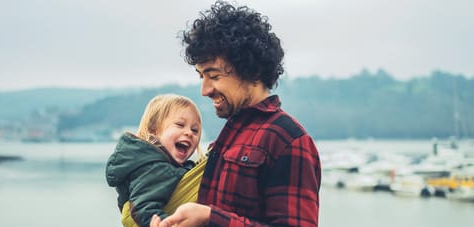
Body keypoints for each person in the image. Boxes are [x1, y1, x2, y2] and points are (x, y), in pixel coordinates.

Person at [151, 1, 321, 226]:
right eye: (201, 76)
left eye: (214, 75)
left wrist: (209, 218)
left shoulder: (288, 140)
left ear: (253, 70)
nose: (205, 90)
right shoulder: (230, 135)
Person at [106, 93, 204, 227]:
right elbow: (142, 208)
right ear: (154, 130)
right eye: (180, 125)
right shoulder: (157, 169)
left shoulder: (158, 163)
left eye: (195, 130)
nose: (189, 133)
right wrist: (167, 223)